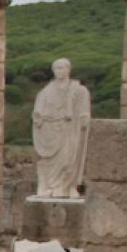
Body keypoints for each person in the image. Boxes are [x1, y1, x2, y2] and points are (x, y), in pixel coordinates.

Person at [32, 57, 91, 199]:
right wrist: (40, 116)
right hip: (50, 131)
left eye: (62, 67)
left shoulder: (79, 90)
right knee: (48, 162)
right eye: (56, 68)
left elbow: (84, 111)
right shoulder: (45, 92)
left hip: (70, 130)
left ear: (68, 69)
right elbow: (37, 113)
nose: (59, 71)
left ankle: (68, 187)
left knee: (69, 160)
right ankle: (49, 186)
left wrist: (83, 118)